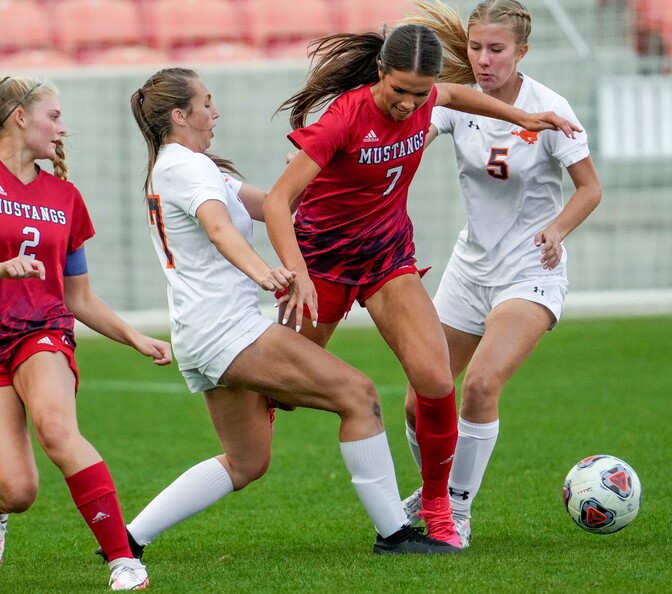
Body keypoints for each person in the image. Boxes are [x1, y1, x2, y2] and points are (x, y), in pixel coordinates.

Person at [106, 66, 460, 564]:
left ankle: (127, 540)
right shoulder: (187, 169)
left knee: (247, 461)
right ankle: (396, 535)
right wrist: (265, 272)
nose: (216, 111)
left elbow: (277, 203)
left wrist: (333, 171)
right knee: (358, 396)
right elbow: (219, 230)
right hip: (229, 332)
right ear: (180, 115)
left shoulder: (195, 168)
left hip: (203, 335)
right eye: (207, 102)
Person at [262, 23, 581, 547]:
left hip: (388, 258)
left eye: (419, 93)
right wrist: (297, 275)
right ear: (380, 74)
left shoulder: (431, 98)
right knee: (278, 390)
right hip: (321, 263)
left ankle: (439, 507)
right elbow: (277, 202)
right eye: (399, 91)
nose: (409, 105)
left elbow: (456, 95)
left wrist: (523, 116)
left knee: (434, 381)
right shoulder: (344, 118)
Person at [397, 1, 603, 548]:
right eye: (474, 48)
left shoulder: (549, 108)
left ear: (522, 51)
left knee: (482, 386)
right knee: (421, 399)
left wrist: (558, 229)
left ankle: (456, 512)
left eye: (496, 49)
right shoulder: (458, 102)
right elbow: (410, 136)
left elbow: (590, 188)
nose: (483, 61)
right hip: (469, 269)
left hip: (530, 270)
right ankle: (433, 488)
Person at [0, 75, 173, 590]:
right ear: (20, 117)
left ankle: (124, 560)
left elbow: (78, 298)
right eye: (53, 116)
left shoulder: (66, 197)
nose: (63, 128)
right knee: (17, 490)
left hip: (41, 332)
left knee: (57, 429)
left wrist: (134, 337)